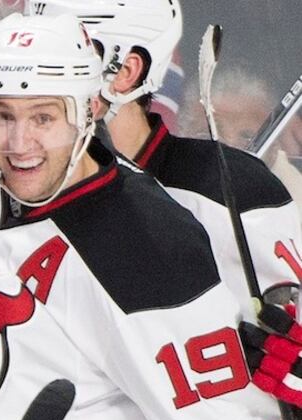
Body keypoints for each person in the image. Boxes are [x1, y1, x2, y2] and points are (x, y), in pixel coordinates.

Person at [0, 12, 283, 420]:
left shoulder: (149, 248)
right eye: (3, 116)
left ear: (91, 109)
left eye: (44, 118)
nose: (18, 144)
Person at [24, 0, 301, 320]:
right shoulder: (17, 184)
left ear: (127, 72)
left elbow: (284, 347)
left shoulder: (231, 192)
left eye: (63, 58)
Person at [178, 66, 302, 215]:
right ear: (181, 135)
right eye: (207, 136)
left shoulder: (295, 211)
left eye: (247, 137)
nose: (229, 154)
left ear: (274, 150)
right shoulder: (157, 193)